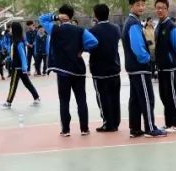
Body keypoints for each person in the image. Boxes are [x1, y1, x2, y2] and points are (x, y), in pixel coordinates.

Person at [39, 5, 99, 137]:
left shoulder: (54, 29)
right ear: (72, 16)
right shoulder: (80, 30)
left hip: (62, 71)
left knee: (64, 101)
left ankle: (65, 129)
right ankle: (84, 128)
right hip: (78, 70)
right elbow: (94, 42)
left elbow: (41, 19)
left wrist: (54, 17)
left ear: (61, 16)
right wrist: (82, 49)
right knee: (81, 100)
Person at [123, 0, 165, 137]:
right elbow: (138, 48)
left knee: (135, 99)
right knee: (147, 98)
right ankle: (150, 127)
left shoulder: (132, 22)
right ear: (131, 6)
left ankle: (135, 128)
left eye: (143, 4)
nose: (141, 7)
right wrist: (147, 59)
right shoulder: (133, 23)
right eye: (138, 5)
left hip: (133, 67)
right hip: (139, 67)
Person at [154, 0, 176, 132]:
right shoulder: (159, 26)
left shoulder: (171, 26)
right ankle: (168, 123)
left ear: (167, 9)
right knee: (164, 95)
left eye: (162, 8)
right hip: (161, 67)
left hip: (171, 67)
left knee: (172, 95)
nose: (159, 10)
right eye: (157, 8)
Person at [89, 4, 122, 132]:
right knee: (115, 97)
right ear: (108, 13)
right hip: (114, 67)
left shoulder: (92, 31)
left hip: (99, 70)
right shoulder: (116, 28)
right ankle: (116, 122)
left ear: (95, 15)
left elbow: (88, 47)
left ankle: (108, 123)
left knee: (102, 97)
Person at [2, 21, 41, 108]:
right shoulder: (15, 40)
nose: (9, 29)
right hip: (18, 66)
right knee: (27, 83)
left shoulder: (19, 42)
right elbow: (13, 54)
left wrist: (24, 68)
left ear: (14, 29)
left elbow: (23, 55)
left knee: (13, 85)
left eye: (11, 28)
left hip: (18, 67)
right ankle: (36, 98)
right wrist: (6, 59)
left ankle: (8, 102)